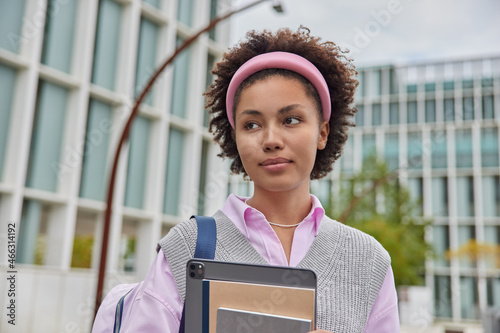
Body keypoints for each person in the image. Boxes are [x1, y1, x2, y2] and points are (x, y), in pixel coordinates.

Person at [94, 27, 399, 333]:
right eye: (251, 124)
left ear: (322, 132)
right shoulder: (188, 247)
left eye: (290, 119)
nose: (270, 139)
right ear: (235, 137)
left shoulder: (369, 261)